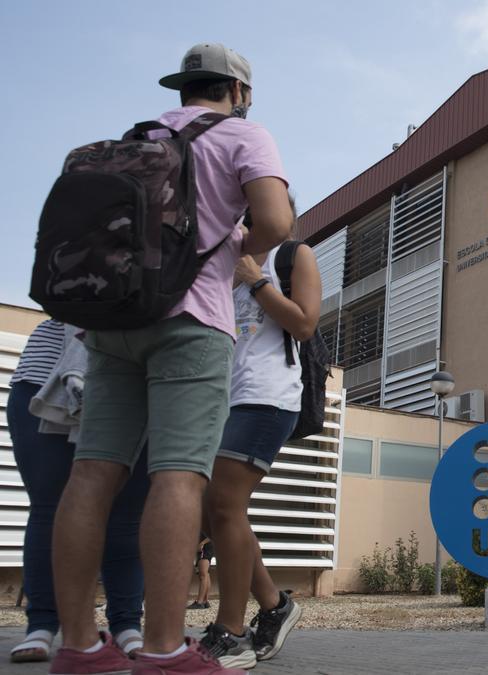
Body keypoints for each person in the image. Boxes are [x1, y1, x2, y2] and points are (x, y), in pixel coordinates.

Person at [48, 42, 292, 675]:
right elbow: (275, 220)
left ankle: (76, 645)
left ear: (184, 89)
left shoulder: (139, 138)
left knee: (93, 473)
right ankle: (163, 651)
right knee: (180, 476)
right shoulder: (244, 135)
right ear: (238, 91)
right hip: (191, 323)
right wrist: (240, 247)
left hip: (115, 321)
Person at [200, 223, 318, 668]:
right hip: (223, 400)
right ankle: (273, 604)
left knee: (225, 503)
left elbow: (304, 324)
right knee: (215, 511)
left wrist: (257, 279)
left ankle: (231, 632)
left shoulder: (291, 256)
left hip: (267, 396)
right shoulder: (221, 267)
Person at [7, 320, 150, 663]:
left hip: (138, 375)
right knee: (49, 506)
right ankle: (41, 624)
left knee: (127, 513)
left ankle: (127, 624)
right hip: (49, 372)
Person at [188, 533, 213, 610]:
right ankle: (205, 601)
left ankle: (199, 602)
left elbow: (213, 533)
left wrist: (202, 543)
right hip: (206, 545)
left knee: (203, 575)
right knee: (206, 574)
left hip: (204, 546)